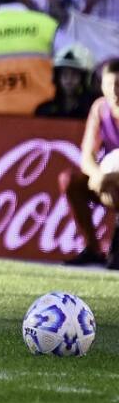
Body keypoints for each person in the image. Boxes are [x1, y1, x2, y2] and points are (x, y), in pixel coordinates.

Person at [60, 59, 119, 268]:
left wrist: (110, 178)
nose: (114, 91)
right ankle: (93, 248)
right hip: (106, 180)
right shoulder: (100, 108)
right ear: (101, 85)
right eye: (110, 84)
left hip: (113, 180)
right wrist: (97, 176)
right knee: (70, 180)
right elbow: (87, 154)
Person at [37, 43, 96, 119]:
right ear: (57, 77)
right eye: (64, 74)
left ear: (84, 79)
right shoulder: (46, 111)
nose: (69, 79)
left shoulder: (92, 111)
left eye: (74, 74)